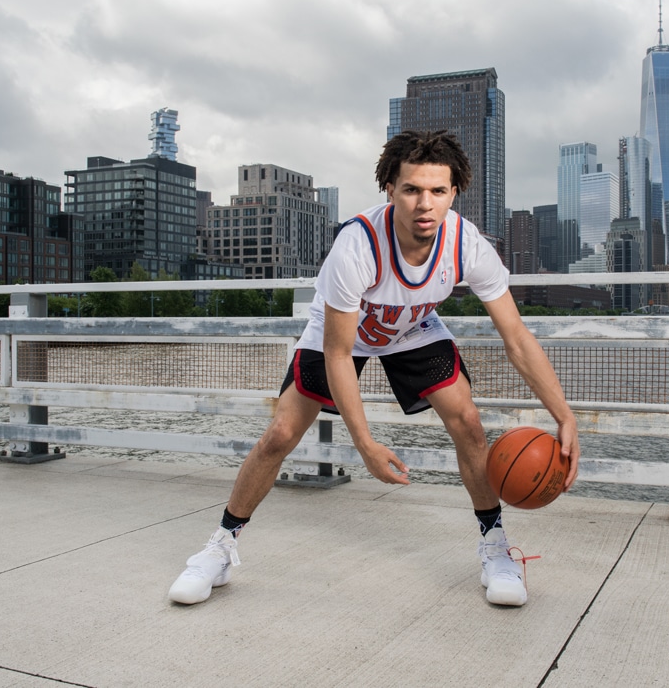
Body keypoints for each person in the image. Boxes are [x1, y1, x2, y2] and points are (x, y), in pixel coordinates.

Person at [169, 130, 580, 607]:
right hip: (345, 332)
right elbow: (341, 353)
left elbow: (517, 339)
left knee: (468, 421)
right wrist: (364, 444)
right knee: (281, 433)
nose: (424, 204)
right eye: (411, 190)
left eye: (438, 191)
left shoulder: (467, 245)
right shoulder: (357, 246)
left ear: (454, 193)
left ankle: (494, 547)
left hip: (412, 328)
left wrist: (564, 416)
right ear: (390, 188)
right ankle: (219, 549)